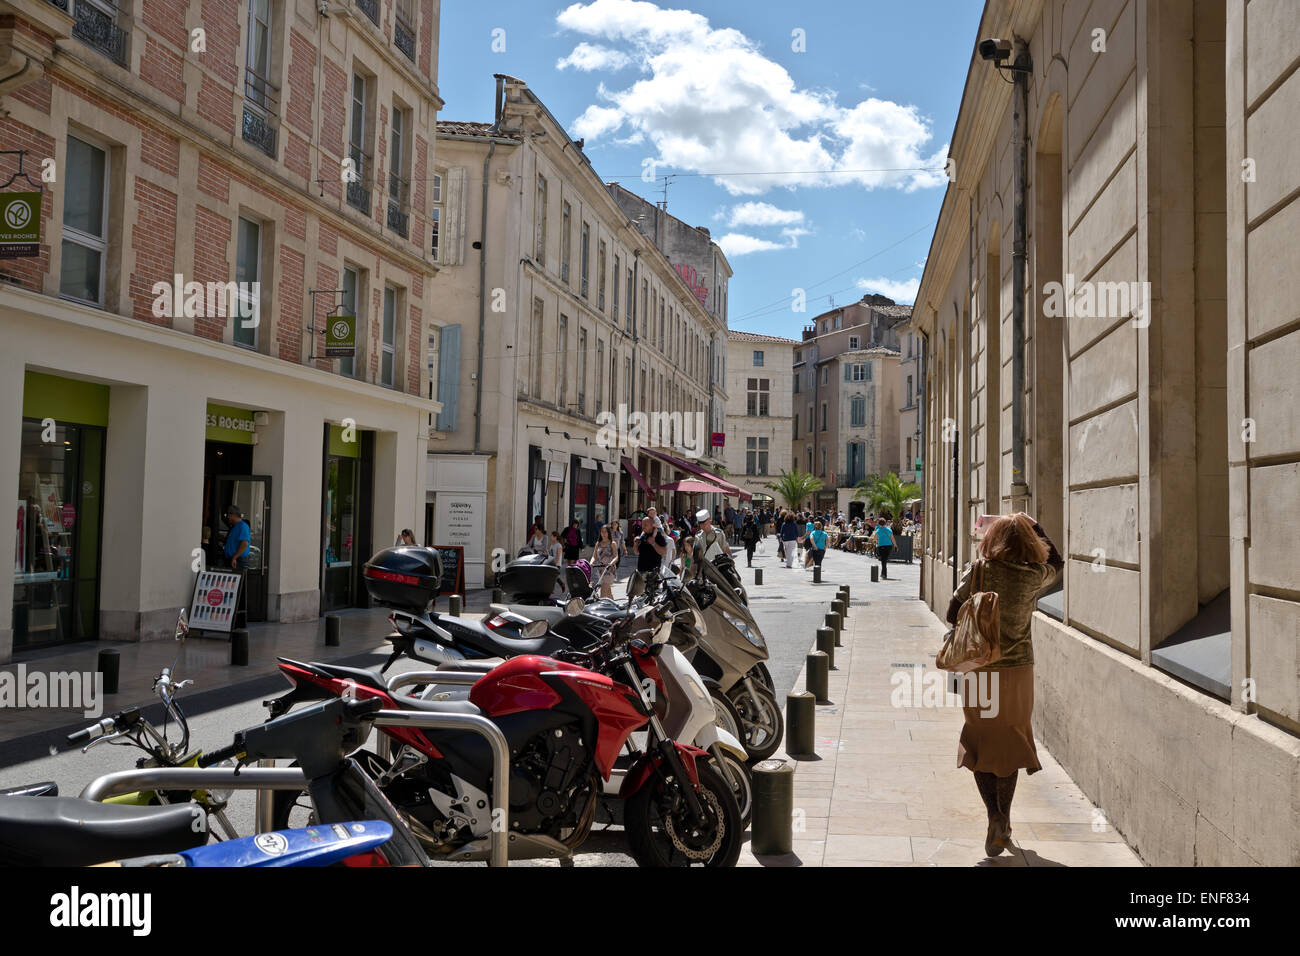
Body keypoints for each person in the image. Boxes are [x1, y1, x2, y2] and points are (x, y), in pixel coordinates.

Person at [945, 512, 1063, 858]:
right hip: (1017, 671)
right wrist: (1032, 523)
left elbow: (953, 612)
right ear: (1028, 542)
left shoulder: (980, 569)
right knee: (1010, 743)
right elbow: (1058, 560)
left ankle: (994, 816)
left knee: (980, 741)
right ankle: (1004, 820)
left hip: (981, 669)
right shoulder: (1032, 576)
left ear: (991, 540)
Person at [630, 515, 667, 599]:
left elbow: (664, 552)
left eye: (646, 525)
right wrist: (635, 544)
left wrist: (654, 543)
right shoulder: (642, 536)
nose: (643, 527)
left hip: (652, 573)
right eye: (642, 525)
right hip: (641, 571)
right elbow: (636, 552)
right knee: (640, 596)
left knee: (651, 597)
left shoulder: (658, 536)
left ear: (652, 525)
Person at [591, 524, 619, 599]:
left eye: (605, 532)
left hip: (609, 570)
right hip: (600, 570)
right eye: (602, 532)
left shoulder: (612, 543)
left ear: (608, 533)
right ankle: (614, 607)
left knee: (603, 590)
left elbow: (616, 556)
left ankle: (601, 607)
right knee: (608, 592)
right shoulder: (598, 544)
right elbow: (594, 556)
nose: (603, 534)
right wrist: (591, 563)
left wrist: (611, 563)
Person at [224, 506, 250, 570]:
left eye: (228, 515)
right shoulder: (234, 527)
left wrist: (235, 557)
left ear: (233, 515)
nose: (227, 517)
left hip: (238, 561)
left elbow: (244, 543)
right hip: (233, 559)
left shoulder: (243, 526)